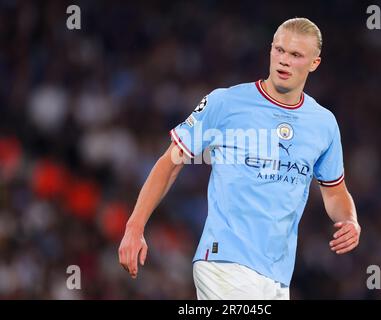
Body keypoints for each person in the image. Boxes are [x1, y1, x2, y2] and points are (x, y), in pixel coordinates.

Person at [118, 17, 361, 300]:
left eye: (295, 55)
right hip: (224, 262)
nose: (284, 60)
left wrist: (350, 220)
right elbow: (170, 163)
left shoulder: (323, 124)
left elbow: (334, 192)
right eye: (279, 50)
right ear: (270, 50)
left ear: (314, 63)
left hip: (277, 276)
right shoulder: (225, 103)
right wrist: (134, 226)